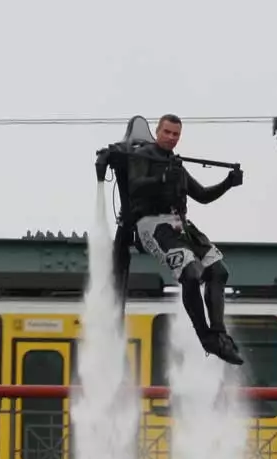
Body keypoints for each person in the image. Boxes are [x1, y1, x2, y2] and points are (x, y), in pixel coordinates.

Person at [96, 114, 245, 365]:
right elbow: (136, 186)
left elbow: (203, 196)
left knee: (219, 271)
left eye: (176, 134)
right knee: (191, 273)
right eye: (167, 132)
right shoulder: (144, 155)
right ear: (158, 131)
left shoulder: (176, 165)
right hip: (152, 226)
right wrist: (162, 179)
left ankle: (218, 334)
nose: (172, 138)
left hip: (181, 225)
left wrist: (228, 183)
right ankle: (205, 337)